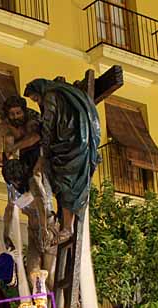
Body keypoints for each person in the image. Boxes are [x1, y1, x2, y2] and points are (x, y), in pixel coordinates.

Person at [23, 78, 101, 243]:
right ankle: (66, 224)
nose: (38, 103)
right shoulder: (65, 92)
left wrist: (43, 154)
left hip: (71, 147)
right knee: (66, 183)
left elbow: (48, 125)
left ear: (40, 91)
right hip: (79, 143)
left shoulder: (51, 96)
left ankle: (67, 228)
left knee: (65, 183)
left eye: (36, 99)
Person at [0, 96, 57, 292]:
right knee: (33, 276)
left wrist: (43, 229)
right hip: (33, 232)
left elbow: (41, 202)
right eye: (12, 114)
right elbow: (10, 208)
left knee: (49, 280)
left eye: (18, 113)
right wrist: (6, 232)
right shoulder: (15, 189)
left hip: (47, 228)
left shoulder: (33, 181)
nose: (16, 116)